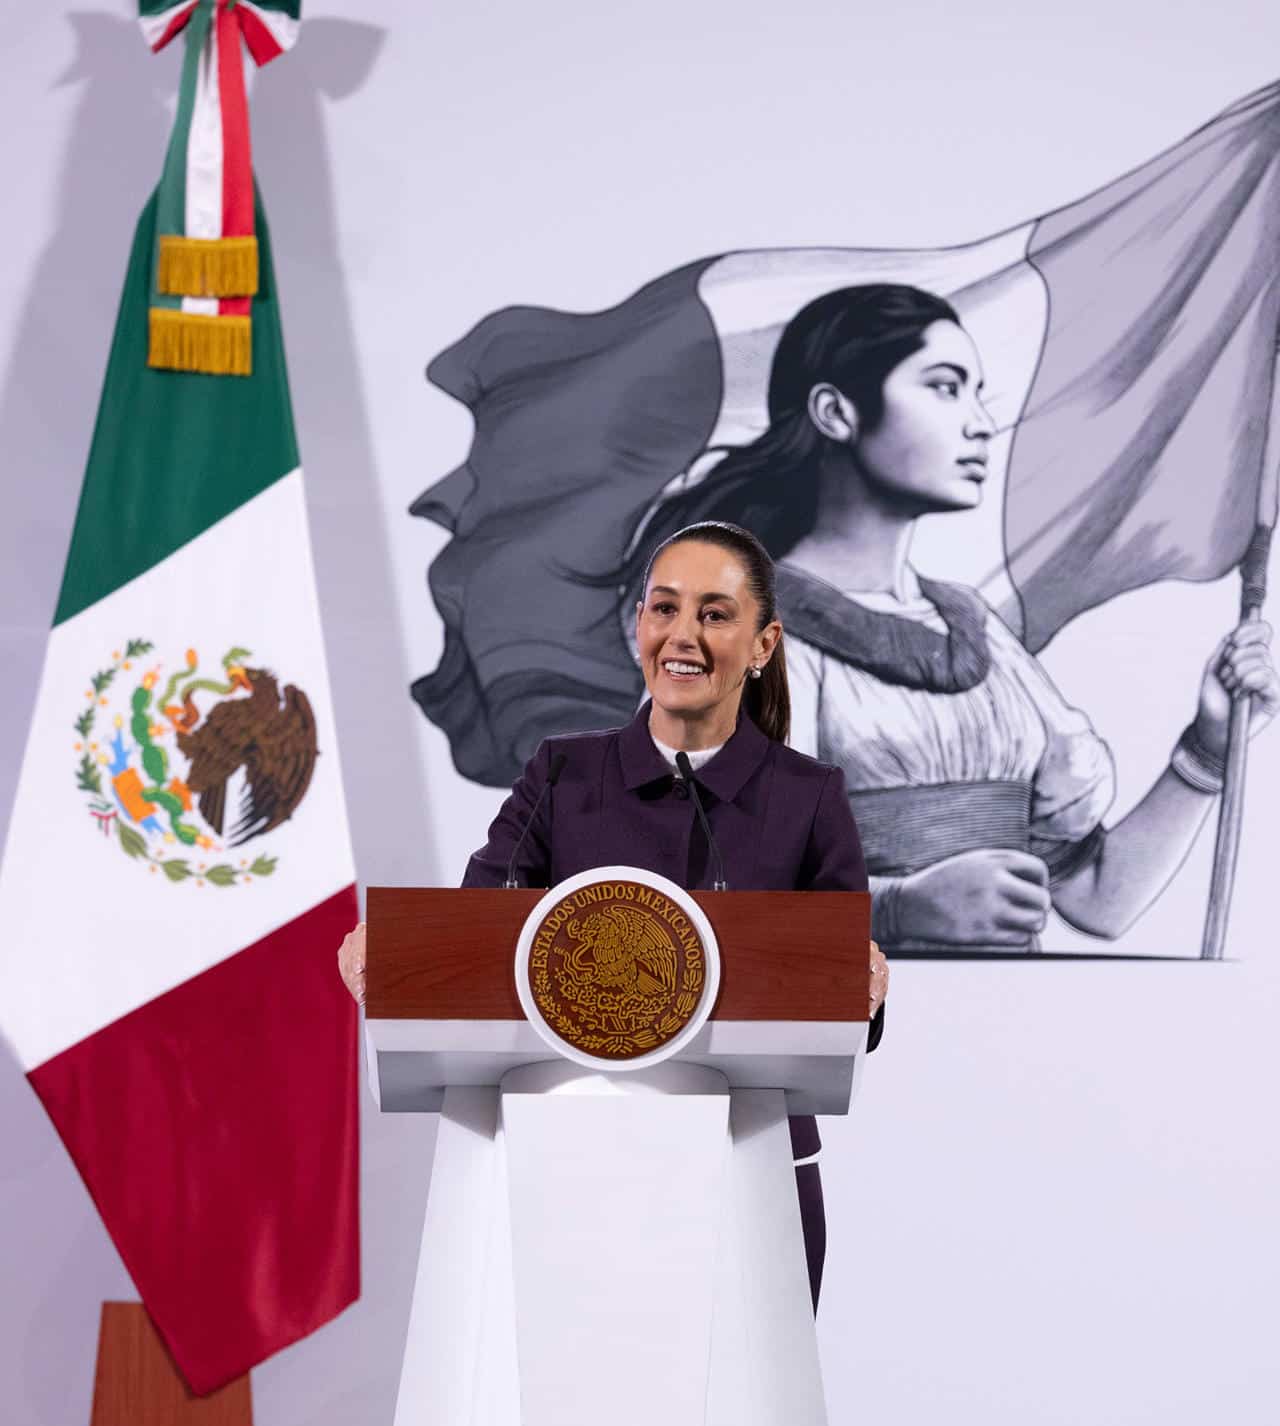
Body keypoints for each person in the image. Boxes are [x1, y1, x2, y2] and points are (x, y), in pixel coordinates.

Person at [626, 286, 1279, 953]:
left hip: (998, 1039)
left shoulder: (978, 632)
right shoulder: (737, 637)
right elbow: (704, 895)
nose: (978, 422)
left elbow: (1096, 898)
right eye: (944, 387)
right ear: (835, 412)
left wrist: (1207, 746)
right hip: (840, 1039)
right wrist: (899, 910)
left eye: (976, 392)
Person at [339, 521, 889, 1309]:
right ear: (638, 625)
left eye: (714, 613)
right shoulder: (564, 775)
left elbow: (842, 990)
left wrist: (866, 986)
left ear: (763, 644)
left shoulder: (808, 797)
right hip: (572, 1164)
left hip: (755, 1167)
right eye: (663, 609)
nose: (682, 636)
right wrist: (394, 960)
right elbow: (474, 936)